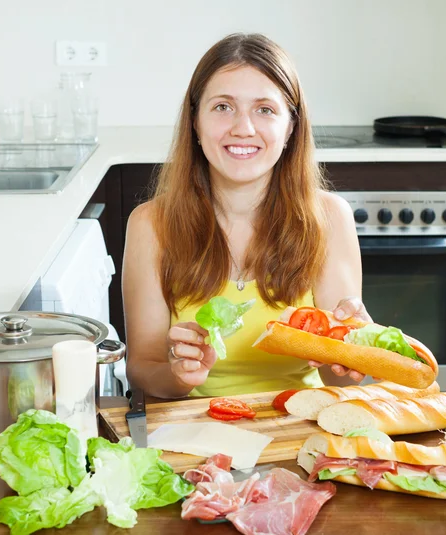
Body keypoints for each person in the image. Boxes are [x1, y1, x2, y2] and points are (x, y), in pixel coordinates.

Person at [122, 33, 372, 399]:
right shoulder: (150, 225)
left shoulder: (330, 218)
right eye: (223, 107)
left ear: (290, 127)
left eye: (265, 109)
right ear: (195, 121)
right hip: (191, 430)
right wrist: (180, 376)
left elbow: (340, 380)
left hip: (299, 425)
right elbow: (142, 367)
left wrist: (357, 356)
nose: (243, 128)